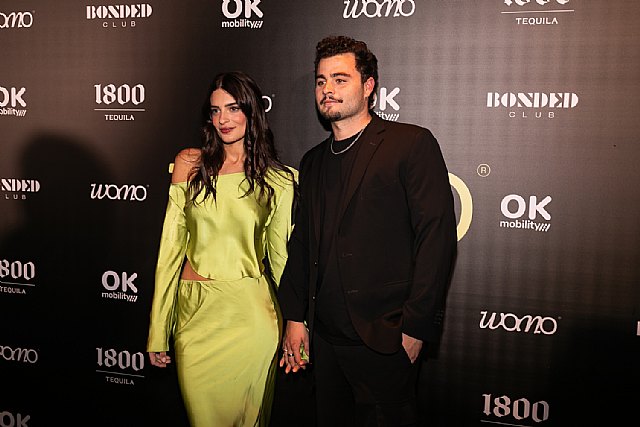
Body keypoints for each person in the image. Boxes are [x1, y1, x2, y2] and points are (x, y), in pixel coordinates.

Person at [277, 35, 457, 426]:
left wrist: (415, 327)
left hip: (384, 338)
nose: (327, 89)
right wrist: (295, 317)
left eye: (340, 79)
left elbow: (436, 238)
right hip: (324, 342)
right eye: (321, 81)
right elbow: (302, 245)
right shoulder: (312, 162)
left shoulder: (410, 144)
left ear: (369, 86)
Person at [146, 71, 297, 427]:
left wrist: (297, 325)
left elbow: (280, 259)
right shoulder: (189, 165)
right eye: (215, 111)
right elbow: (170, 251)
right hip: (196, 317)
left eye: (233, 108)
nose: (223, 119)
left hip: (252, 318)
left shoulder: (279, 179)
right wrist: (158, 329)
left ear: (251, 111)